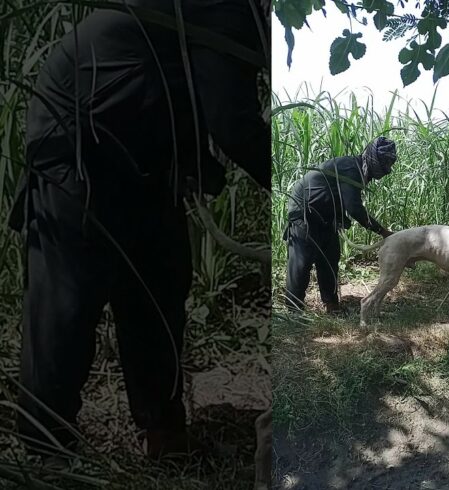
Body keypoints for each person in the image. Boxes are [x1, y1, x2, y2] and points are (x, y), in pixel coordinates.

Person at [6, 0, 271, 460]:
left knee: (159, 285)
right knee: (66, 303)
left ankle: (165, 435)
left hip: (139, 154)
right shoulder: (226, 7)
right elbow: (232, 122)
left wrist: (189, 160)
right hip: (77, 143)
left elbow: (174, 81)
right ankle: (43, 447)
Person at [284, 137, 397, 313]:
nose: (387, 169)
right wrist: (382, 231)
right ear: (374, 158)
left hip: (327, 216)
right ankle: (293, 310)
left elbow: (342, 199)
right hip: (304, 213)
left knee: (330, 259)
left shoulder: (358, 170)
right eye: (385, 163)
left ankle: (332, 306)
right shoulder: (352, 169)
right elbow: (353, 207)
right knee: (301, 263)